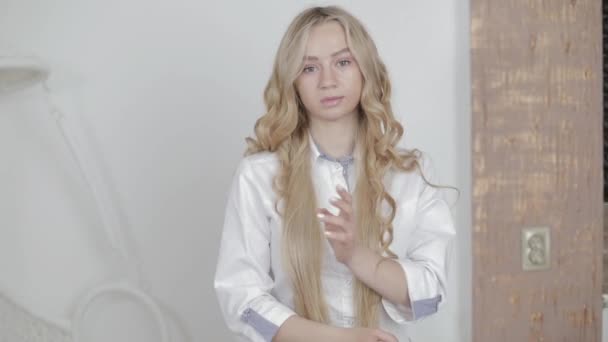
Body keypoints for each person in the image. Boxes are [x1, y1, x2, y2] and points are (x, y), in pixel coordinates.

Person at [214, 5, 456, 342]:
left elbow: (430, 294)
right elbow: (241, 298)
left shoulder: (410, 174)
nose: (328, 81)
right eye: (310, 67)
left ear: (365, 71)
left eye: (343, 62)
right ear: (293, 82)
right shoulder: (258, 176)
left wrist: (357, 256)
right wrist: (342, 339)